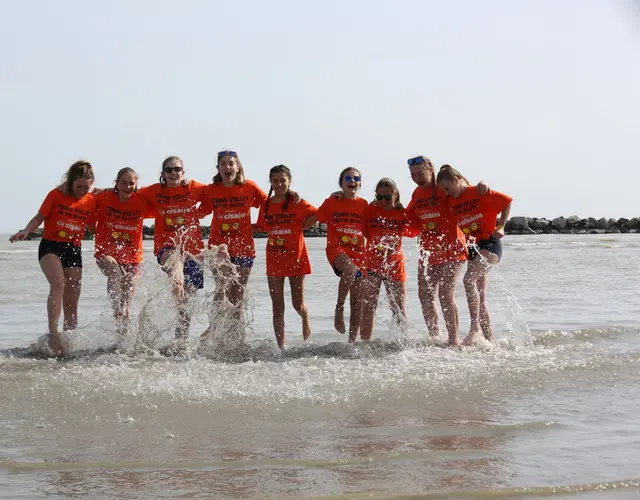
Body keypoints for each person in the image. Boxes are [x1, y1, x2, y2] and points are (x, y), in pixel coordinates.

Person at [9, 160, 97, 356]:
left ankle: (70, 340)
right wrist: (26, 231)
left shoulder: (91, 201)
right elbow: (39, 217)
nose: (83, 190)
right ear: (71, 181)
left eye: (86, 187)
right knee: (58, 283)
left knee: (72, 299)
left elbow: (93, 227)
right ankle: (54, 335)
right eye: (79, 186)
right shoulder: (56, 195)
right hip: (51, 246)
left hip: (73, 248)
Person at [436, 164, 512, 346]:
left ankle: (474, 328)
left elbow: (506, 201)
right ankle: (491, 342)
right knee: (480, 296)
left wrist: (501, 227)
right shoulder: (450, 200)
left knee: (468, 280)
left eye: (448, 188)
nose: (447, 193)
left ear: (456, 180)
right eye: (443, 190)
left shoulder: (478, 192)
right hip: (474, 247)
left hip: (491, 243)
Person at [137, 156, 208, 347]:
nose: (173, 173)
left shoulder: (194, 187)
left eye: (177, 169)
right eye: (169, 170)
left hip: (193, 251)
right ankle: (176, 280)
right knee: (176, 269)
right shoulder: (154, 191)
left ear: (183, 172)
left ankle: (180, 342)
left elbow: (215, 194)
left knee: (186, 304)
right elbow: (130, 191)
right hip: (167, 248)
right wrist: (109, 190)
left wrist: (200, 213)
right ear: (163, 174)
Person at [197, 150, 268, 324]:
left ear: (238, 167)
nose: (227, 167)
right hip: (218, 247)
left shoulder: (249, 187)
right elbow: (200, 212)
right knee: (223, 288)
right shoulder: (211, 190)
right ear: (218, 168)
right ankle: (213, 327)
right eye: (223, 164)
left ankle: (236, 337)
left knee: (238, 296)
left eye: (231, 163)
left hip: (244, 247)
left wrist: (260, 225)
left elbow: (267, 203)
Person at [304, 167, 369, 343]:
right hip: (336, 249)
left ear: (360, 183)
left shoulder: (364, 205)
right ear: (341, 183)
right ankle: (339, 308)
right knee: (350, 270)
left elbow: (371, 231)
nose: (352, 181)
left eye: (356, 178)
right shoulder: (332, 201)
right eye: (348, 178)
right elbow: (315, 218)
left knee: (357, 302)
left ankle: (352, 342)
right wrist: (295, 228)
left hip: (359, 253)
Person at [89, 167, 154, 342]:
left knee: (128, 307)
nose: (127, 186)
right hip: (106, 253)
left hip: (132, 258)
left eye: (131, 183)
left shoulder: (141, 201)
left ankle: (122, 340)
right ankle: (115, 308)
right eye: (123, 182)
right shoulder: (104, 198)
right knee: (113, 269)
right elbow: (83, 202)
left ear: (136, 185)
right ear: (116, 183)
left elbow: (161, 202)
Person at [256, 165, 317, 348]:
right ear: (271, 183)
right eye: (275, 181)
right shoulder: (266, 204)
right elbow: (262, 226)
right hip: (274, 259)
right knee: (277, 306)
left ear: (289, 181)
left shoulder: (297, 202)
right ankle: (281, 347)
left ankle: (305, 317)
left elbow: (317, 214)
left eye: (283, 180)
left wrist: (301, 226)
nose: (279, 184)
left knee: (297, 304)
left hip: (296, 258)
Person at [360, 178, 419, 341]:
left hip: (395, 264)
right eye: (379, 197)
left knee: (398, 308)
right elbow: (364, 231)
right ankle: (365, 343)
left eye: (387, 197)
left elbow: (415, 230)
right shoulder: (369, 210)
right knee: (368, 307)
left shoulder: (403, 213)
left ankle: (404, 342)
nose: (384, 201)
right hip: (372, 263)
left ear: (396, 195)